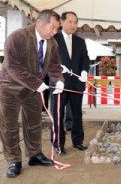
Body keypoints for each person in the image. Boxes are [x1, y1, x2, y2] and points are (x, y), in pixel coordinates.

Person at [0, 9, 64, 178]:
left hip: (34, 90)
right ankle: (14, 160)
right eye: (53, 27)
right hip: (10, 87)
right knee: (9, 125)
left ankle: (34, 154)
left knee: (34, 123)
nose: (55, 32)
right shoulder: (17, 38)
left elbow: (55, 66)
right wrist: (37, 83)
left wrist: (58, 80)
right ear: (39, 23)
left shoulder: (52, 43)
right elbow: (12, 67)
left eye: (57, 28)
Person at [50, 11, 90, 155]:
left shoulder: (80, 42)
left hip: (76, 84)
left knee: (77, 114)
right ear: (62, 22)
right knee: (58, 114)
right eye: (70, 21)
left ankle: (78, 141)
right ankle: (58, 144)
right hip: (59, 84)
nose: (73, 25)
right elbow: (48, 60)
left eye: (75, 22)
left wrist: (85, 71)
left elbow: (85, 59)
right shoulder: (53, 39)